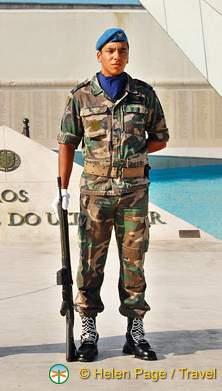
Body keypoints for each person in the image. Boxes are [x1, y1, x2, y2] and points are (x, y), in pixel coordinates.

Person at [53, 28, 169, 362]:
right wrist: (62, 187)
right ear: (99, 55)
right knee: (90, 265)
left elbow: (160, 137)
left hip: (133, 193)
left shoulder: (143, 95)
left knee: (134, 263)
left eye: (122, 50)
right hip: (95, 194)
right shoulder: (81, 96)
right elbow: (67, 142)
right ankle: (88, 333)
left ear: (128, 55)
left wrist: (132, 156)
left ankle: (135, 332)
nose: (116, 56)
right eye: (110, 50)